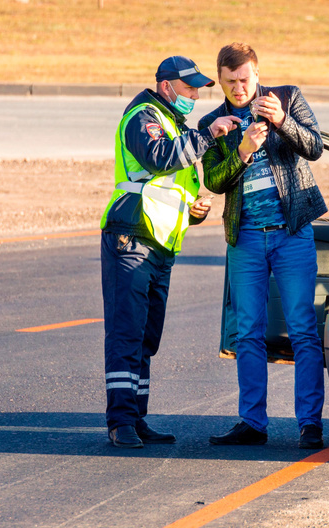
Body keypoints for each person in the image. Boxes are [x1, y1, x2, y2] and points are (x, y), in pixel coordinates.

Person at [101, 55, 239, 448]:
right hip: (131, 237)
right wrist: (210, 133)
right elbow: (159, 157)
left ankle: (137, 417)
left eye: (197, 89)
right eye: (189, 87)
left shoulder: (174, 125)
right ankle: (120, 421)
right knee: (126, 333)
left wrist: (194, 210)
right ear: (166, 87)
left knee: (146, 338)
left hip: (160, 244)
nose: (195, 95)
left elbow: (171, 186)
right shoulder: (144, 117)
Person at [199, 43, 328, 449]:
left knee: (304, 329)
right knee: (248, 333)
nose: (239, 88)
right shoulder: (213, 122)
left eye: (245, 79)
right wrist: (242, 151)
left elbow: (315, 147)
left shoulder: (286, 98)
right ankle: (252, 424)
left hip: (291, 233)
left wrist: (283, 121)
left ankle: (310, 424)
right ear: (220, 80)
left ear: (257, 74)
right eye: (230, 81)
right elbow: (215, 181)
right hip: (247, 237)